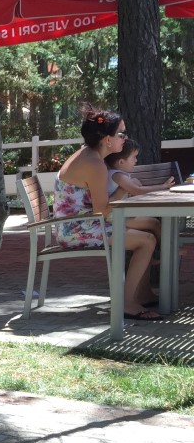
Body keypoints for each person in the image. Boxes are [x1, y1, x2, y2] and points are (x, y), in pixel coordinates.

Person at [53, 106, 160, 320]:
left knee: (149, 227)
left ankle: (141, 293)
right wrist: (123, 189)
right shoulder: (95, 164)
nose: (125, 138)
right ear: (107, 140)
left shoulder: (89, 155)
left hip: (83, 222)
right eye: (121, 133)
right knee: (146, 241)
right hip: (75, 229)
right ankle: (126, 303)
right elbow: (101, 210)